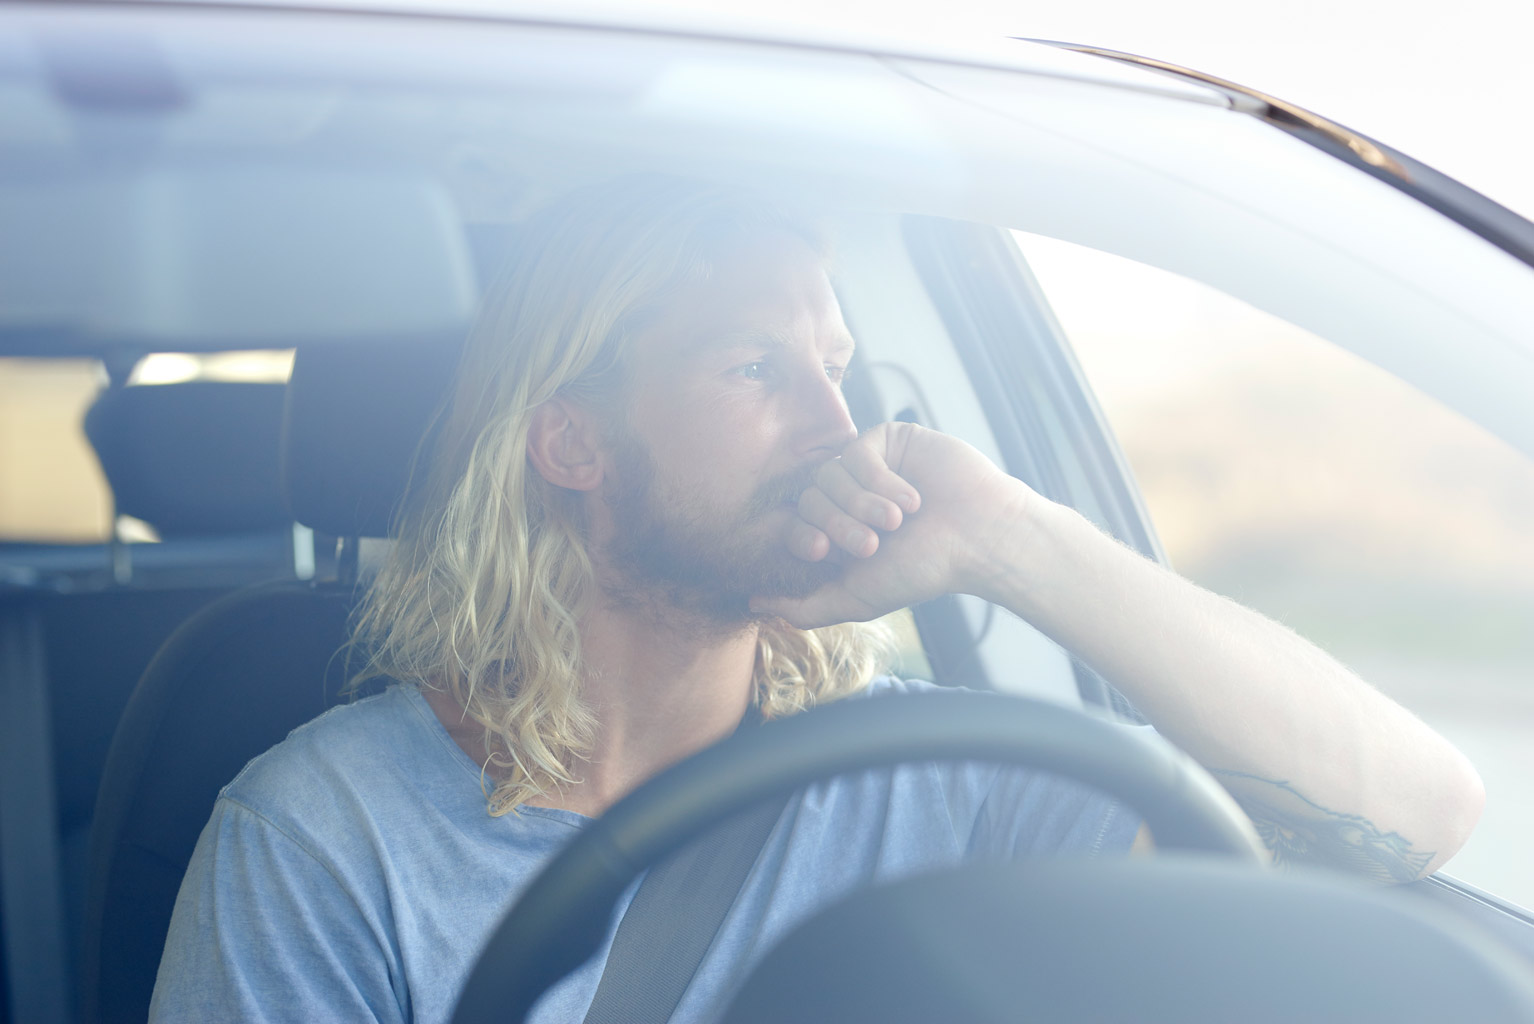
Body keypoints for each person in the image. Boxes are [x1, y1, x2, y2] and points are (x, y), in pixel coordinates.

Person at [150, 178, 1484, 1022]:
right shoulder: (330, 836)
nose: (834, 427)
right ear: (574, 442)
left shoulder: (943, 775)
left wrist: (1009, 537)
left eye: (836, 368)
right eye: (754, 367)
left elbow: (1416, 816)